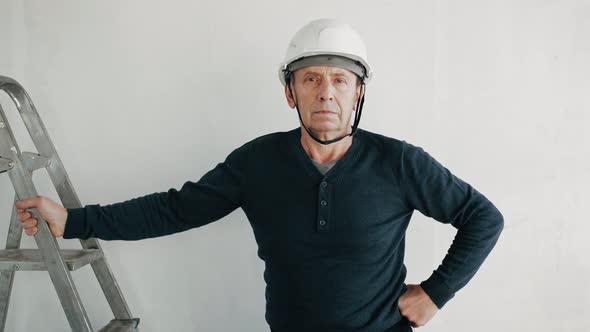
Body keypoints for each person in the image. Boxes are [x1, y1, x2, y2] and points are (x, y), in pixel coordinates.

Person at [15, 18, 504, 332]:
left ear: (358, 92)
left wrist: (436, 292)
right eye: (311, 78)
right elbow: (174, 209)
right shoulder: (256, 163)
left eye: (340, 80)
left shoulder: (400, 163)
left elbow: (483, 217)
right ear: (290, 92)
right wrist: (73, 221)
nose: (326, 93)